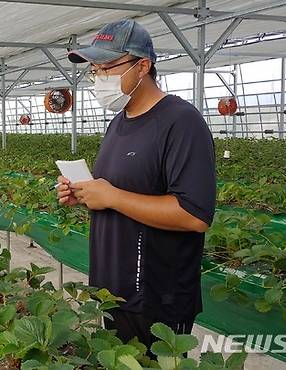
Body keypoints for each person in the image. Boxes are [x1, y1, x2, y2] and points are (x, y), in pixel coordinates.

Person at [57, 20, 216, 355]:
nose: (100, 78)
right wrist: (85, 194)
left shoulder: (181, 122)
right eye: (95, 70)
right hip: (113, 290)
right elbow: (122, 194)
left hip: (156, 296)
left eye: (107, 68)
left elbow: (194, 214)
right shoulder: (120, 121)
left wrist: (112, 196)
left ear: (143, 66)